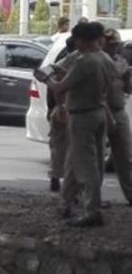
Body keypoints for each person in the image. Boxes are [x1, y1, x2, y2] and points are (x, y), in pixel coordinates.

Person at [37, 22, 109, 227]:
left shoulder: (86, 62)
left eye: (77, 39)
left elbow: (60, 86)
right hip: (97, 112)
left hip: (82, 116)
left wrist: (46, 79)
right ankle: (65, 203)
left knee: (87, 166)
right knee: (74, 162)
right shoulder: (104, 59)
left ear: (83, 40)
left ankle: (92, 210)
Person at [101, 28, 132, 205]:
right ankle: (91, 199)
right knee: (97, 159)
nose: (113, 48)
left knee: (125, 157)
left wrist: (127, 79)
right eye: (110, 44)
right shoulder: (100, 62)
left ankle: (130, 193)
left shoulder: (121, 62)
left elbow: (128, 89)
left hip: (119, 110)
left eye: (115, 45)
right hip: (101, 110)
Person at [47, 36, 79, 192]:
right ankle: (67, 182)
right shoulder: (76, 65)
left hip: (60, 109)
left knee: (58, 147)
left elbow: (49, 88)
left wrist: (52, 108)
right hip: (68, 108)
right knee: (70, 147)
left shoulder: (60, 64)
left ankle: (55, 177)